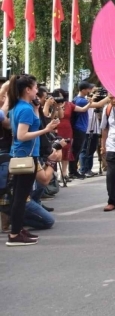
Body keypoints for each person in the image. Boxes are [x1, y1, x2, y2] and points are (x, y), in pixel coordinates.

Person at [6, 74, 60, 246]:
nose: (37, 91)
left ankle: (18, 229)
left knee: (20, 196)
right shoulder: (25, 109)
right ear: (27, 89)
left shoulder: (20, 106)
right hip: (25, 157)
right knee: (21, 197)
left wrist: (37, 108)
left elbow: (30, 126)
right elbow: (22, 135)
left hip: (23, 155)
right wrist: (47, 130)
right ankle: (15, 234)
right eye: (35, 87)